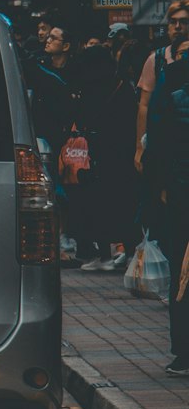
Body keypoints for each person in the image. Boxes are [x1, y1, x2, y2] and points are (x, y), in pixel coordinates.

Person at [70, 44, 138, 272]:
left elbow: (83, 117)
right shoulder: (122, 86)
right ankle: (129, 253)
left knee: (98, 204)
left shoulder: (89, 88)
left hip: (99, 153)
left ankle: (105, 256)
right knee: (124, 204)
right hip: (123, 153)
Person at [144, 34, 189, 374]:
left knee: (182, 270)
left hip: (179, 189)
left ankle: (184, 352)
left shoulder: (171, 83)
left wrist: (159, 186)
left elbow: (157, 140)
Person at [136, 2, 189, 174]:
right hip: (164, 144)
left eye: (184, 22)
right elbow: (144, 105)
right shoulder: (157, 59)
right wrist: (140, 147)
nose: (177, 27)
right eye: (173, 22)